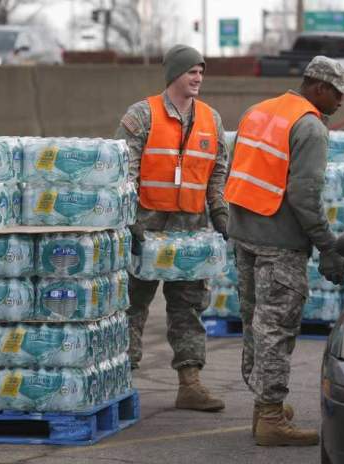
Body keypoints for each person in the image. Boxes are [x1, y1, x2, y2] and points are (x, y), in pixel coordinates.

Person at [224, 56, 344, 445]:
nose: (341, 102)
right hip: (279, 243)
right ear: (319, 87)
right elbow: (305, 197)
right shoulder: (309, 127)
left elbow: (239, 168)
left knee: (255, 324)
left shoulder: (258, 111)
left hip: (245, 234)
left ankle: (264, 405)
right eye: (337, 94)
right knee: (276, 329)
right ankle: (269, 418)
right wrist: (328, 247)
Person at [115, 44, 229, 412]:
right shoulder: (141, 115)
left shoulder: (211, 120)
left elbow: (218, 171)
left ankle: (190, 383)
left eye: (201, 71)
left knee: (189, 307)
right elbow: (123, 168)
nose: (197, 77)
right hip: (145, 229)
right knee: (131, 305)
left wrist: (220, 211)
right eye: (190, 71)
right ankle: (120, 378)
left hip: (190, 229)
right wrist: (129, 218)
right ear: (173, 76)